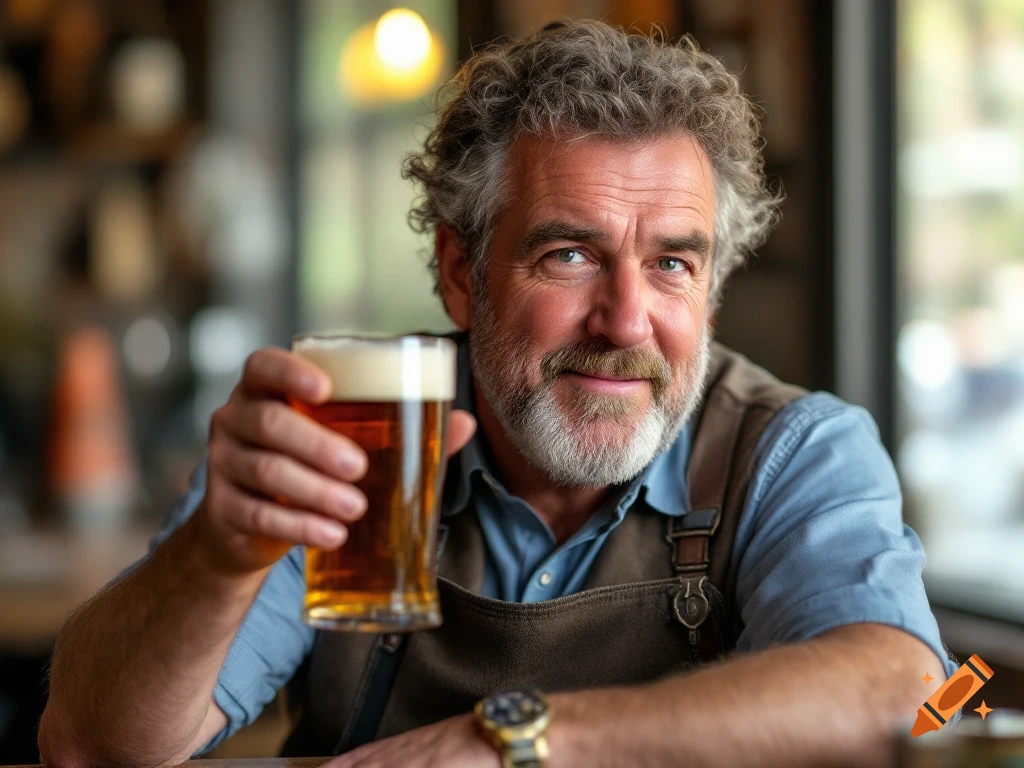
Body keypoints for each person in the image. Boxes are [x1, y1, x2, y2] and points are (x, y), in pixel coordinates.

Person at [40, 20, 955, 768]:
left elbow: (914, 701)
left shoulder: (788, 452)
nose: (627, 320)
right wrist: (214, 560)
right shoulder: (358, 427)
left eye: (672, 263)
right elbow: (92, 747)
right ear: (460, 274)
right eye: (571, 255)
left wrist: (517, 739)